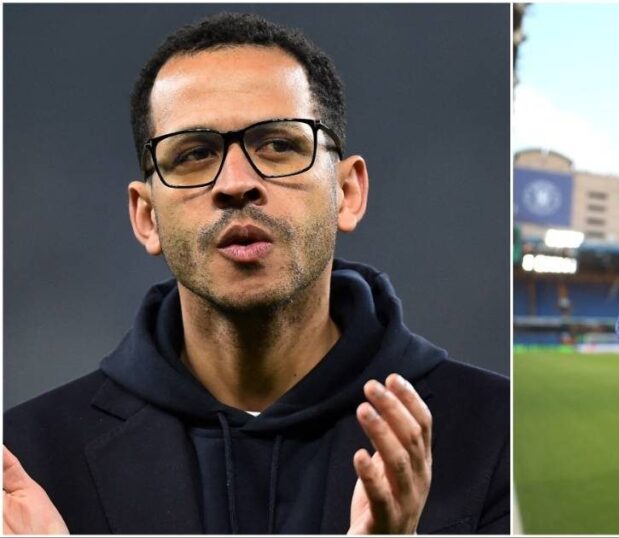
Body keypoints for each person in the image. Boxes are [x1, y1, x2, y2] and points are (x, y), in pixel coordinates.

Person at [3, 12, 508, 535]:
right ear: (147, 217)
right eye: (195, 154)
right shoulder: (27, 464)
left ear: (347, 192)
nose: (237, 182)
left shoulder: (495, 435)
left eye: (279, 145)